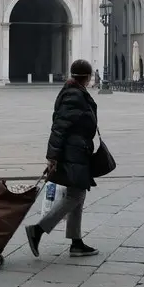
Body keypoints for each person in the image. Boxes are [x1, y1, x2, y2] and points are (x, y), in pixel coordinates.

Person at [25, 59, 100, 258]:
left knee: (77, 195)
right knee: (76, 195)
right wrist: (52, 156)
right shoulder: (74, 95)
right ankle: (38, 230)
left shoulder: (74, 91)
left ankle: (76, 242)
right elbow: (59, 127)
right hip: (72, 152)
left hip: (77, 150)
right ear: (86, 77)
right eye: (90, 76)